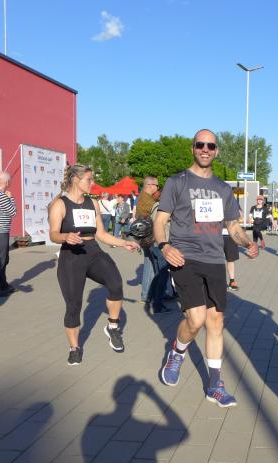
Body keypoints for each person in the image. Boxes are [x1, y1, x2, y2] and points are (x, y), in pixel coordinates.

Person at [155, 129, 258, 407]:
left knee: (216, 322)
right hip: (184, 257)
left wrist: (248, 243)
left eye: (210, 146)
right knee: (196, 319)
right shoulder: (176, 182)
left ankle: (215, 385)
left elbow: (233, 226)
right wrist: (165, 246)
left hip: (214, 260)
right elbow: (160, 220)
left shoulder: (223, 189)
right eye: (200, 144)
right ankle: (177, 352)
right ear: (193, 148)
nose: (205, 149)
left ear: (216, 151)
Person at [48, 164, 140, 365]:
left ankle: (113, 327)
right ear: (76, 179)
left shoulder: (93, 203)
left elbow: (102, 234)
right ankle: (74, 348)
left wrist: (123, 243)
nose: (93, 183)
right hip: (71, 255)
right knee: (73, 305)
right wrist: (65, 236)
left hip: (93, 251)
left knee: (116, 283)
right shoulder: (60, 204)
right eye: (89, 179)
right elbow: (53, 233)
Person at [137, 177, 172, 313]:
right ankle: (156, 301)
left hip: (147, 239)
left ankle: (149, 296)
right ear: (151, 185)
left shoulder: (143, 198)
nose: (158, 189)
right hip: (155, 240)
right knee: (161, 272)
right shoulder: (151, 202)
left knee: (152, 268)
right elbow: (157, 220)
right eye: (157, 186)